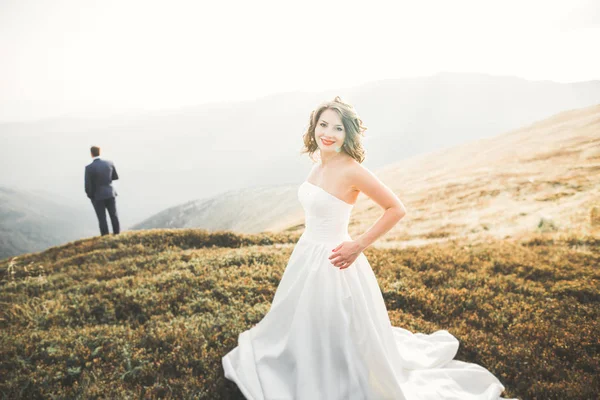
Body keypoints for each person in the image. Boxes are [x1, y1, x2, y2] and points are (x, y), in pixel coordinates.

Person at [222, 96, 515, 399]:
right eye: (323, 124)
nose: (328, 133)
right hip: (306, 253)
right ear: (313, 127)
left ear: (348, 133)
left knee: (337, 329)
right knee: (303, 322)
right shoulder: (319, 163)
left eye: (337, 128)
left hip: (335, 259)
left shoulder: (352, 170)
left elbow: (396, 208)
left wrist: (358, 245)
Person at [85, 145, 120, 236]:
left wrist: (91, 196)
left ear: (91, 154)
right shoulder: (109, 163)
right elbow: (115, 177)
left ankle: (105, 236)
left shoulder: (89, 168)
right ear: (100, 152)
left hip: (98, 196)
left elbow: (88, 185)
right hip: (110, 193)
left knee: (102, 218)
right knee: (114, 215)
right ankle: (117, 234)